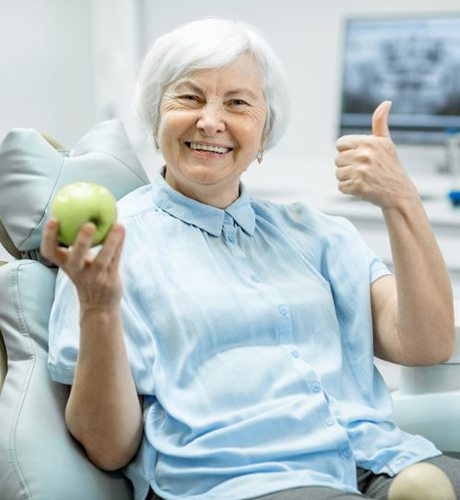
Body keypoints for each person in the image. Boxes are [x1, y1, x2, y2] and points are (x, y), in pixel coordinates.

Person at [41, 18, 460, 500]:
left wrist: (402, 201)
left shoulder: (318, 233)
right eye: (189, 98)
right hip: (245, 481)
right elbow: (109, 449)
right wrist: (97, 307)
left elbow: (425, 344)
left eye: (237, 103)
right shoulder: (111, 251)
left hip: (380, 456)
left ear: (265, 132)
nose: (211, 121)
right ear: (156, 118)